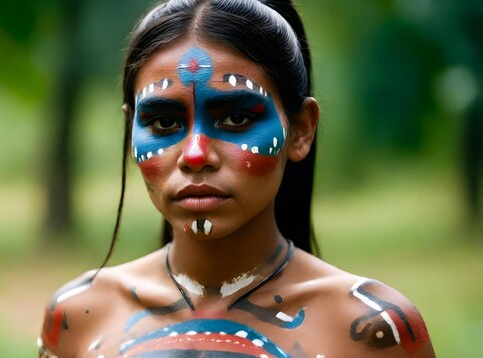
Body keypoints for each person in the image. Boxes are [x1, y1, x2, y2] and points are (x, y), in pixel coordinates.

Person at [38, 0, 435, 356]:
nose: (195, 155)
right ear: (130, 134)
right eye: (163, 122)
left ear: (300, 130)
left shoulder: (371, 332)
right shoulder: (78, 316)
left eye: (236, 118)